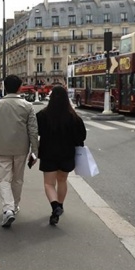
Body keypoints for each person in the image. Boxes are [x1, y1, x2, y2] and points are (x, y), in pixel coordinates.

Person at [0, 75, 39, 228]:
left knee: (4, 179)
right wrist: (35, 151)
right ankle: (14, 206)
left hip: (0, 147)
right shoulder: (28, 106)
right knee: (18, 178)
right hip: (21, 148)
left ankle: (8, 209)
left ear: (5, 87)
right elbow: (33, 131)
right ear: (20, 87)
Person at [35, 85, 86, 226]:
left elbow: (36, 132)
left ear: (51, 98)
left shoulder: (42, 115)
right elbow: (81, 137)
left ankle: (55, 207)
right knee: (62, 181)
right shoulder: (73, 117)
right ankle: (60, 206)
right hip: (67, 154)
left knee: (48, 183)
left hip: (48, 153)